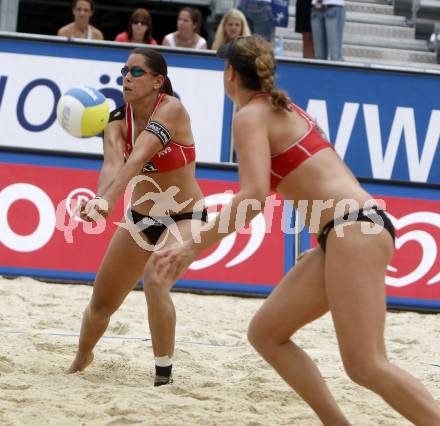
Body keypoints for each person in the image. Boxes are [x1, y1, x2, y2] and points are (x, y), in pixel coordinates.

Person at [148, 36, 440, 423]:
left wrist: (190, 247)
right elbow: (319, 179)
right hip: (348, 231)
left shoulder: (250, 115)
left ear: (231, 73)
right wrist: (326, 242)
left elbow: (252, 197)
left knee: (366, 364)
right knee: (267, 332)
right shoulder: (286, 109)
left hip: (352, 231)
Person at [67, 47, 207, 387]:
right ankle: (83, 355)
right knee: (100, 304)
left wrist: (109, 199)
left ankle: (163, 375)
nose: (126, 77)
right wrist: (100, 199)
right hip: (141, 217)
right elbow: (113, 165)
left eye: (137, 72)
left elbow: (136, 159)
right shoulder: (116, 121)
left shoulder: (172, 109)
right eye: (125, 71)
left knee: (155, 276)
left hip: (186, 215)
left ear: (158, 81)